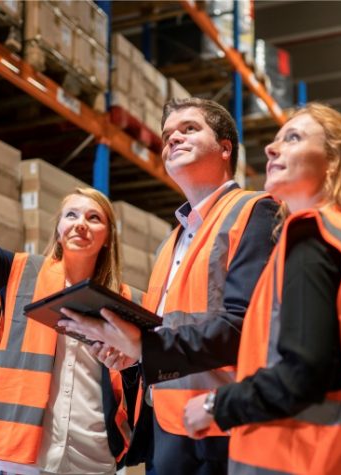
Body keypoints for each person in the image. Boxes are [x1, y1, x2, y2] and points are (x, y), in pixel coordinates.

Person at [58, 98, 279, 474]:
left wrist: (143, 346)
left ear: (225, 148)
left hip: (221, 427)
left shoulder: (256, 212)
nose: (173, 137)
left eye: (189, 128)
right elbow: (166, 331)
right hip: (167, 427)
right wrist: (133, 358)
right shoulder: (170, 242)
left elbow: (243, 328)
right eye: (167, 135)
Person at [181, 103, 341, 474]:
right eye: (276, 139)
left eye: (294, 138)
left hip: (298, 459)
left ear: (333, 162)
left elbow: (303, 374)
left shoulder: (312, 236)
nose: (271, 148)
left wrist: (214, 406)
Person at [0, 105, 138, 475]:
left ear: (107, 238)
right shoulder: (21, 273)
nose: (80, 224)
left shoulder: (126, 302)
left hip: (93, 460)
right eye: (71, 215)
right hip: (21, 461)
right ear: (58, 229)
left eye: (94, 217)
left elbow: (136, 384)